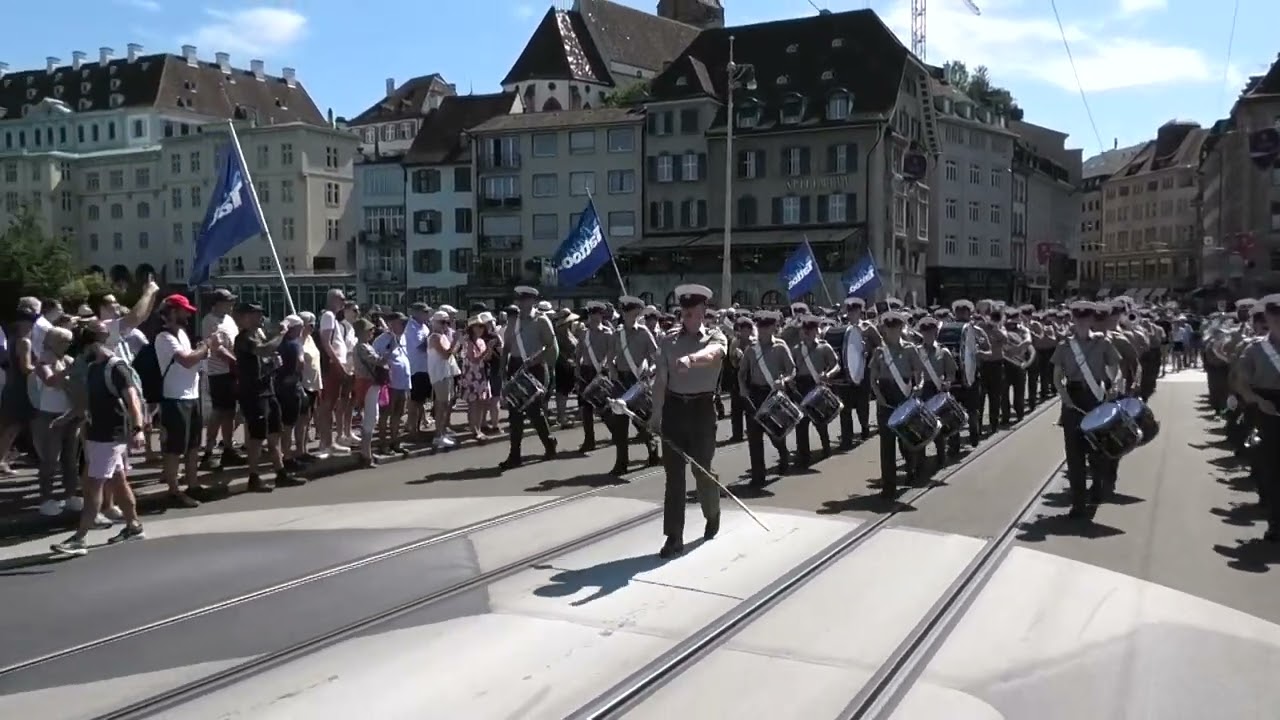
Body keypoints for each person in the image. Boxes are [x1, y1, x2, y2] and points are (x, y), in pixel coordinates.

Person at [50, 322, 148, 557]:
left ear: (93, 344)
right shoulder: (94, 367)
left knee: (93, 484)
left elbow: (132, 399)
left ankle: (80, 538)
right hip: (98, 434)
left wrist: (138, 429)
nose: (82, 354)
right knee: (118, 481)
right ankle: (133, 526)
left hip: (109, 436)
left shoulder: (116, 368)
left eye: (84, 348)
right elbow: (85, 403)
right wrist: (66, 418)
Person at [651, 284, 727, 559]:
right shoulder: (669, 341)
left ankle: (712, 512)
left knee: (702, 471)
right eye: (686, 314)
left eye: (695, 313)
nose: (690, 319)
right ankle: (674, 536)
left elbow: (713, 356)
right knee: (674, 478)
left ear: (704, 313)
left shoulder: (716, 337)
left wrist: (691, 360)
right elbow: (661, 379)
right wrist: (655, 413)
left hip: (702, 410)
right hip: (674, 410)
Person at [1051, 300, 1122, 518]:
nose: (1081, 323)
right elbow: (1057, 377)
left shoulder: (1103, 343)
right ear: (1073, 320)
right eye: (1077, 319)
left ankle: (1098, 487)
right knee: (1074, 455)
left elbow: (1115, 370)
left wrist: (1114, 387)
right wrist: (1064, 397)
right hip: (1073, 400)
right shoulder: (1064, 346)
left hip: (1095, 399)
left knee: (1098, 450)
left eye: (1086, 318)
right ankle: (1078, 503)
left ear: (1092, 319)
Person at [154, 294, 216, 506]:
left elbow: (193, 359)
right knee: (174, 447)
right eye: (184, 311)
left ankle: (193, 483)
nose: (188, 314)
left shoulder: (181, 333)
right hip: (175, 398)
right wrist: (205, 347)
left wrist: (201, 351)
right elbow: (187, 360)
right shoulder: (164, 337)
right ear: (172, 311)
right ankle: (173, 490)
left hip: (192, 395)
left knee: (193, 445)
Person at [232, 302, 299, 492]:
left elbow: (264, 361)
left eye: (260, 314)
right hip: (253, 394)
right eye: (255, 314)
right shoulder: (243, 338)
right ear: (245, 317)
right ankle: (253, 477)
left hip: (267, 390)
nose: (260, 318)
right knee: (256, 437)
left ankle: (281, 473)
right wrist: (280, 334)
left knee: (274, 434)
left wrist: (273, 365)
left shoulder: (258, 335)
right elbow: (263, 350)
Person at [500, 286, 559, 469]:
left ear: (533, 301)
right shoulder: (513, 322)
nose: (522, 303)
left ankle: (549, 443)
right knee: (514, 414)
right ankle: (514, 455)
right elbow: (507, 347)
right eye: (520, 299)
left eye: (525, 300)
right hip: (516, 367)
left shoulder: (541, 320)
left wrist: (537, 360)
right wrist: (503, 369)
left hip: (535, 368)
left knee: (534, 411)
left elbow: (552, 348)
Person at [870, 309, 926, 497]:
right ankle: (889, 486)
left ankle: (911, 467)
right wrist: (877, 395)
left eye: (896, 327)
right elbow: (872, 378)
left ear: (902, 328)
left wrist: (919, 386)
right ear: (884, 329)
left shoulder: (910, 349)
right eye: (889, 327)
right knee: (886, 446)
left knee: (906, 441)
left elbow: (920, 373)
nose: (892, 330)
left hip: (904, 398)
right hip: (885, 400)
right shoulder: (879, 352)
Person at [738, 310, 795, 487]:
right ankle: (758, 476)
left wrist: (783, 380)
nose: (762, 330)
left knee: (775, 435)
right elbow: (742, 373)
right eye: (760, 327)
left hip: (774, 395)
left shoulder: (780, 346)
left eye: (766, 327)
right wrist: (742, 389)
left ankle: (783, 454)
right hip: (755, 395)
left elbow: (792, 370)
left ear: (773, 328)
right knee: (754, 438)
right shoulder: (751, 350)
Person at [607, 296, 661, 475]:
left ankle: (652, 450)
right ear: (623, 314)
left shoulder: (644, 332)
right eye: (628, 314)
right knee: (619, 423)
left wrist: (651, 370)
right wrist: (612, 370)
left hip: (638, 380)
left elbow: (656, 357)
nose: (631, 317)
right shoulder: (617, 334)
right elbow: (610, 358)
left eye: (634, 314)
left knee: (641, 421)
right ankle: (621, 462)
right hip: (621, 381)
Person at [826, 296, 880, 450]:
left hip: (863, 370)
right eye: (849, 311)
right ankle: (847, 439)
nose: (851, 314)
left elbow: (880, 346)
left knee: (862, 404)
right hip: (846, 372)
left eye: (854, 311)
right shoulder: (844, 329)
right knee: (845, 407)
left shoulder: (868, 328)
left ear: (860, 312)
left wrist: (868, 350)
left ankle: (864, 427)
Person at [790, 313, 839, 465]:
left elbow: (836, 365)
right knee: (801, 422)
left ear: (816, 330)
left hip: (817, 385)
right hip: (801, 385)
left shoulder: (824, 347)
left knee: (820, 420)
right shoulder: (796, 349)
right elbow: (792, 369)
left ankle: (826, 447)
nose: (806, 332)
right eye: (805, 328)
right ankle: (803, 455)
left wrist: (829, 374)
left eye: (810, 328)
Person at [915, 316, 959, 466]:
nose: (927, 335)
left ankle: (941, 457)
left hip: (938, 390)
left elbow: (952, 372)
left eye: (930, 332)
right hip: (922, 391)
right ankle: (921, 461)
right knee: (922, 427)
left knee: (939, 426)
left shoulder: (944, 352)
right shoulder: (916, 351)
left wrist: (948, 383)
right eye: (924, 332)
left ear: (935, 332)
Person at [576, 301, 614, 452]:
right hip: (586, 371)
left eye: (597, 314)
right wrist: (577, 369)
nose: (594, 317)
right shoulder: (583, 333)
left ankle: (616, 433)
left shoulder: (608, 333)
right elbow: (579, 352)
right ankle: (589, 440)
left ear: (601, 315)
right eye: (592, 314)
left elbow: (611, 353)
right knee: (586, 409)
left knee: (604, 407)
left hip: (601, 372)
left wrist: (605, 366)